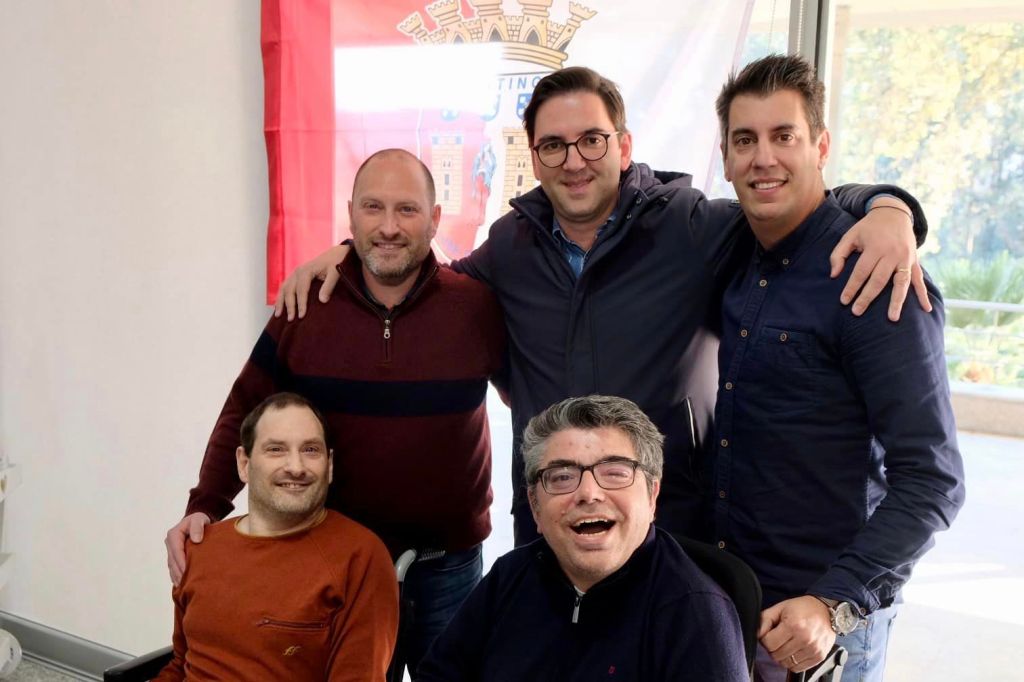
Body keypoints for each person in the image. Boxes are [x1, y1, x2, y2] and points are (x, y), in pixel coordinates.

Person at [276, 66, 930, 547]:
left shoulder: (690, 227)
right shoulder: (510, 245)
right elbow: (427, 282)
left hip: (668, 527)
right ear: (534, 158)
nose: (575, 161)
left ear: (623, 145)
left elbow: (787, 201)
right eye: (554, 146)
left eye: (592, 140)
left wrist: (889, 208)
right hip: (548, 526)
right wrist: (349, 253)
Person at [164, 149, 506, 678]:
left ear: (435, 219)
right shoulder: (306, 304)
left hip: (449, 565)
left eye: (407, 209)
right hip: (335, 562)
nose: (388, 227)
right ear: (350, 215)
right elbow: (245, 406)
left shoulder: (476, 308)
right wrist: (206, 504)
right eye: (373, 207)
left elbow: (533, 397)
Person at [712, 54, 966, 682]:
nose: (763, 158)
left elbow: (933, 479)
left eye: (784, 136)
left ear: (820, 146)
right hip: (734, 601)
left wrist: (834, 601)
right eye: (745, 140)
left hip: (824, 624)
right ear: (725, 156)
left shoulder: (876, 276)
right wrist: (887, 202)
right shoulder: (734, 247)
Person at [418, 395, 748, 681]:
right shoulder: (509, 578)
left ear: (652, 495)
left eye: (615, 473)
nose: (588, 493)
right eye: (562, 477)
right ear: (535, 506)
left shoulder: (696, 613)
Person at [155, 392, 398, 682]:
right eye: (276, 449)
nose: (296, 467)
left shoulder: (360, 558)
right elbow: (180, 664)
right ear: (244, 464)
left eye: (311, 450)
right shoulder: (200, 547)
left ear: (329, 464)